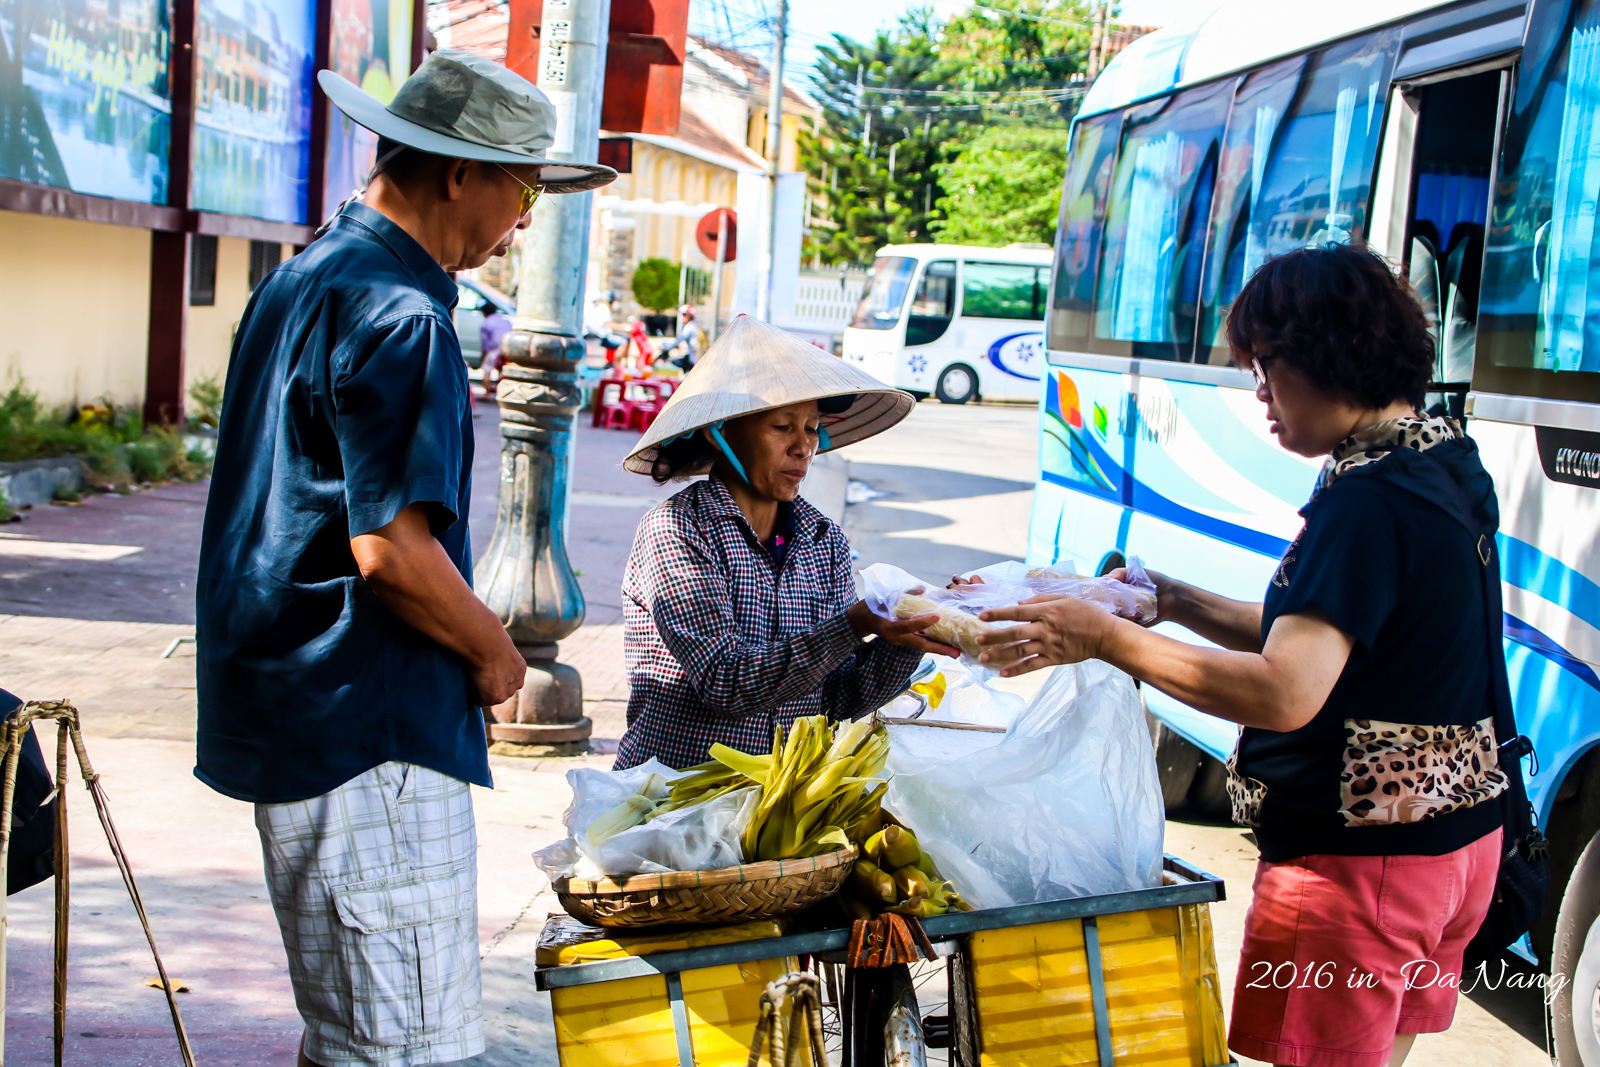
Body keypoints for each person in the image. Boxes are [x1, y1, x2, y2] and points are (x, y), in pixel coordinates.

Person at [974, 244, 1508, 1067]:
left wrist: (1110, 637)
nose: (1257, 392)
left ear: (1329, 354)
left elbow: (1287, 690)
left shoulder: (1365, 503)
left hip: (1361, 866)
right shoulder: (1439, 460)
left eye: (1265, 366)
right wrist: (1179, 601)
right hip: (1454, 848)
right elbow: (1323, 634)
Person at [194, 49, 615, 1067]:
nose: (521, 221)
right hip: (363, 721)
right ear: (457, 173)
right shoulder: (402, 311)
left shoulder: (306, 277)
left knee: (353, 1030)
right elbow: (390, 547)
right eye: (521, 190)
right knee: (406, 1043)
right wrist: (496, 655)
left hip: (299, 706)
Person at [613, 315, 954, 770]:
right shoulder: (677, 530)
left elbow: (836, 699)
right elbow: (725, 682)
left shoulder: (824, 541)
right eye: (782, 427)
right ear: (722, 433)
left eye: (811, 427)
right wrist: (853, 625)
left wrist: (910, 635)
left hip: (776, 804)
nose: (803, 448)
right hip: (672, 800)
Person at [659, 304, 706, 371]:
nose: (682, 317)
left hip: (692, 361)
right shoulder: (695, 326)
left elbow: (678, 340)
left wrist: (665, 346)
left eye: (684, 315)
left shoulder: (689, 328)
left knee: (671, 363)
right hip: (695, 358)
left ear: (688, 316)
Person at [479, 302, 513, 392]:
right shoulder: (505, 320)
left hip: (494, 349)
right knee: (502, 371)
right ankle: (500, 392)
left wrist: (483, 355)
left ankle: (486, 394)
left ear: (484, 313)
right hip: (507, 348)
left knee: (487, 370)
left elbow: (485, 342)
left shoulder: (486, 323)